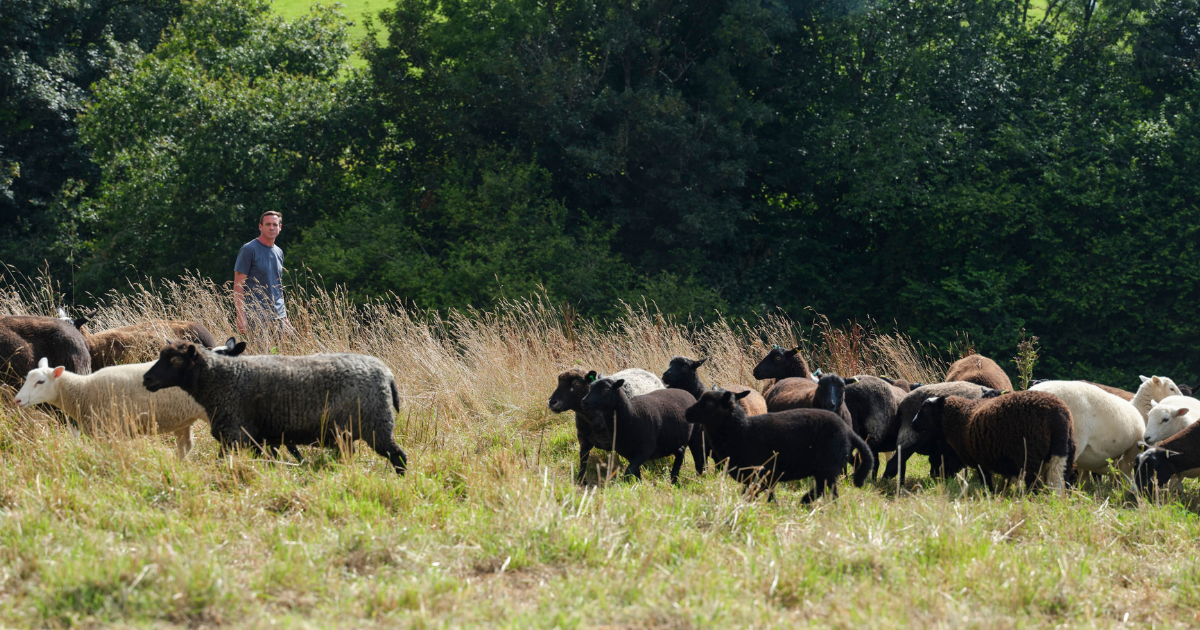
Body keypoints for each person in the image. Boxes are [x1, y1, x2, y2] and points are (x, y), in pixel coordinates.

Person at [234, 211, 293, 340]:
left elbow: (278, 287)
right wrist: (241, 316)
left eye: (274, 224)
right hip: (256, 317)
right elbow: (238, 285)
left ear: (280, 227)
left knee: (277, 357)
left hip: (278, 317)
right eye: (268, 224)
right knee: (259, 358)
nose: (271, 227)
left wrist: (285, 318)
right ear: (260, 227)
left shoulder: (279, 252)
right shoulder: (248, 250)